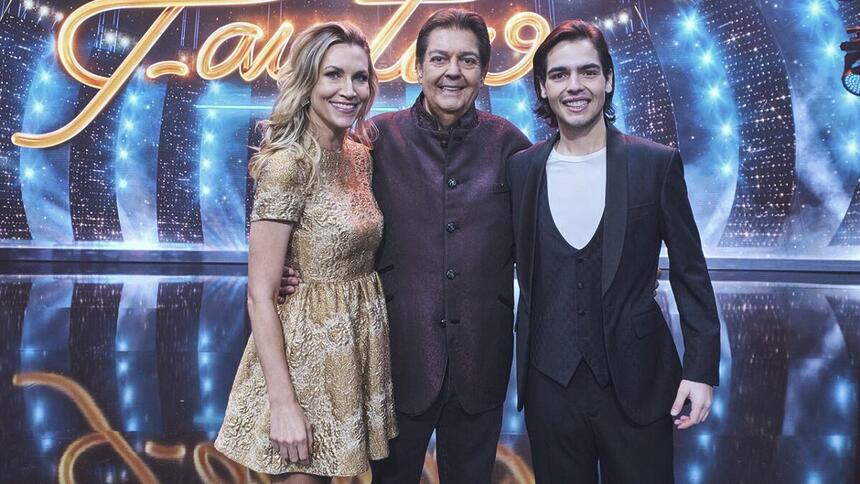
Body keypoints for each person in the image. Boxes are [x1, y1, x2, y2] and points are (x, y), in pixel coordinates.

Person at [507, 20, 721, 483]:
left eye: (588, 71)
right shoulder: (522, 170)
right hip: (550, 385)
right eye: (559, 75)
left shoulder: (655, 163)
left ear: (608, 80)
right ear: (542, 87)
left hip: (639, 380)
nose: (575, 86)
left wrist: (702, 369)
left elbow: (690, 272)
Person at [215, 22, 397, 483]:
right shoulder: (288, 163)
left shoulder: (358, 153)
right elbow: (260, 294)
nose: (349, 90)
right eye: (333, 75)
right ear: (307, 81)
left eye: (360, 77)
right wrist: (283, 404)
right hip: (303, 357)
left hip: (351, 346)